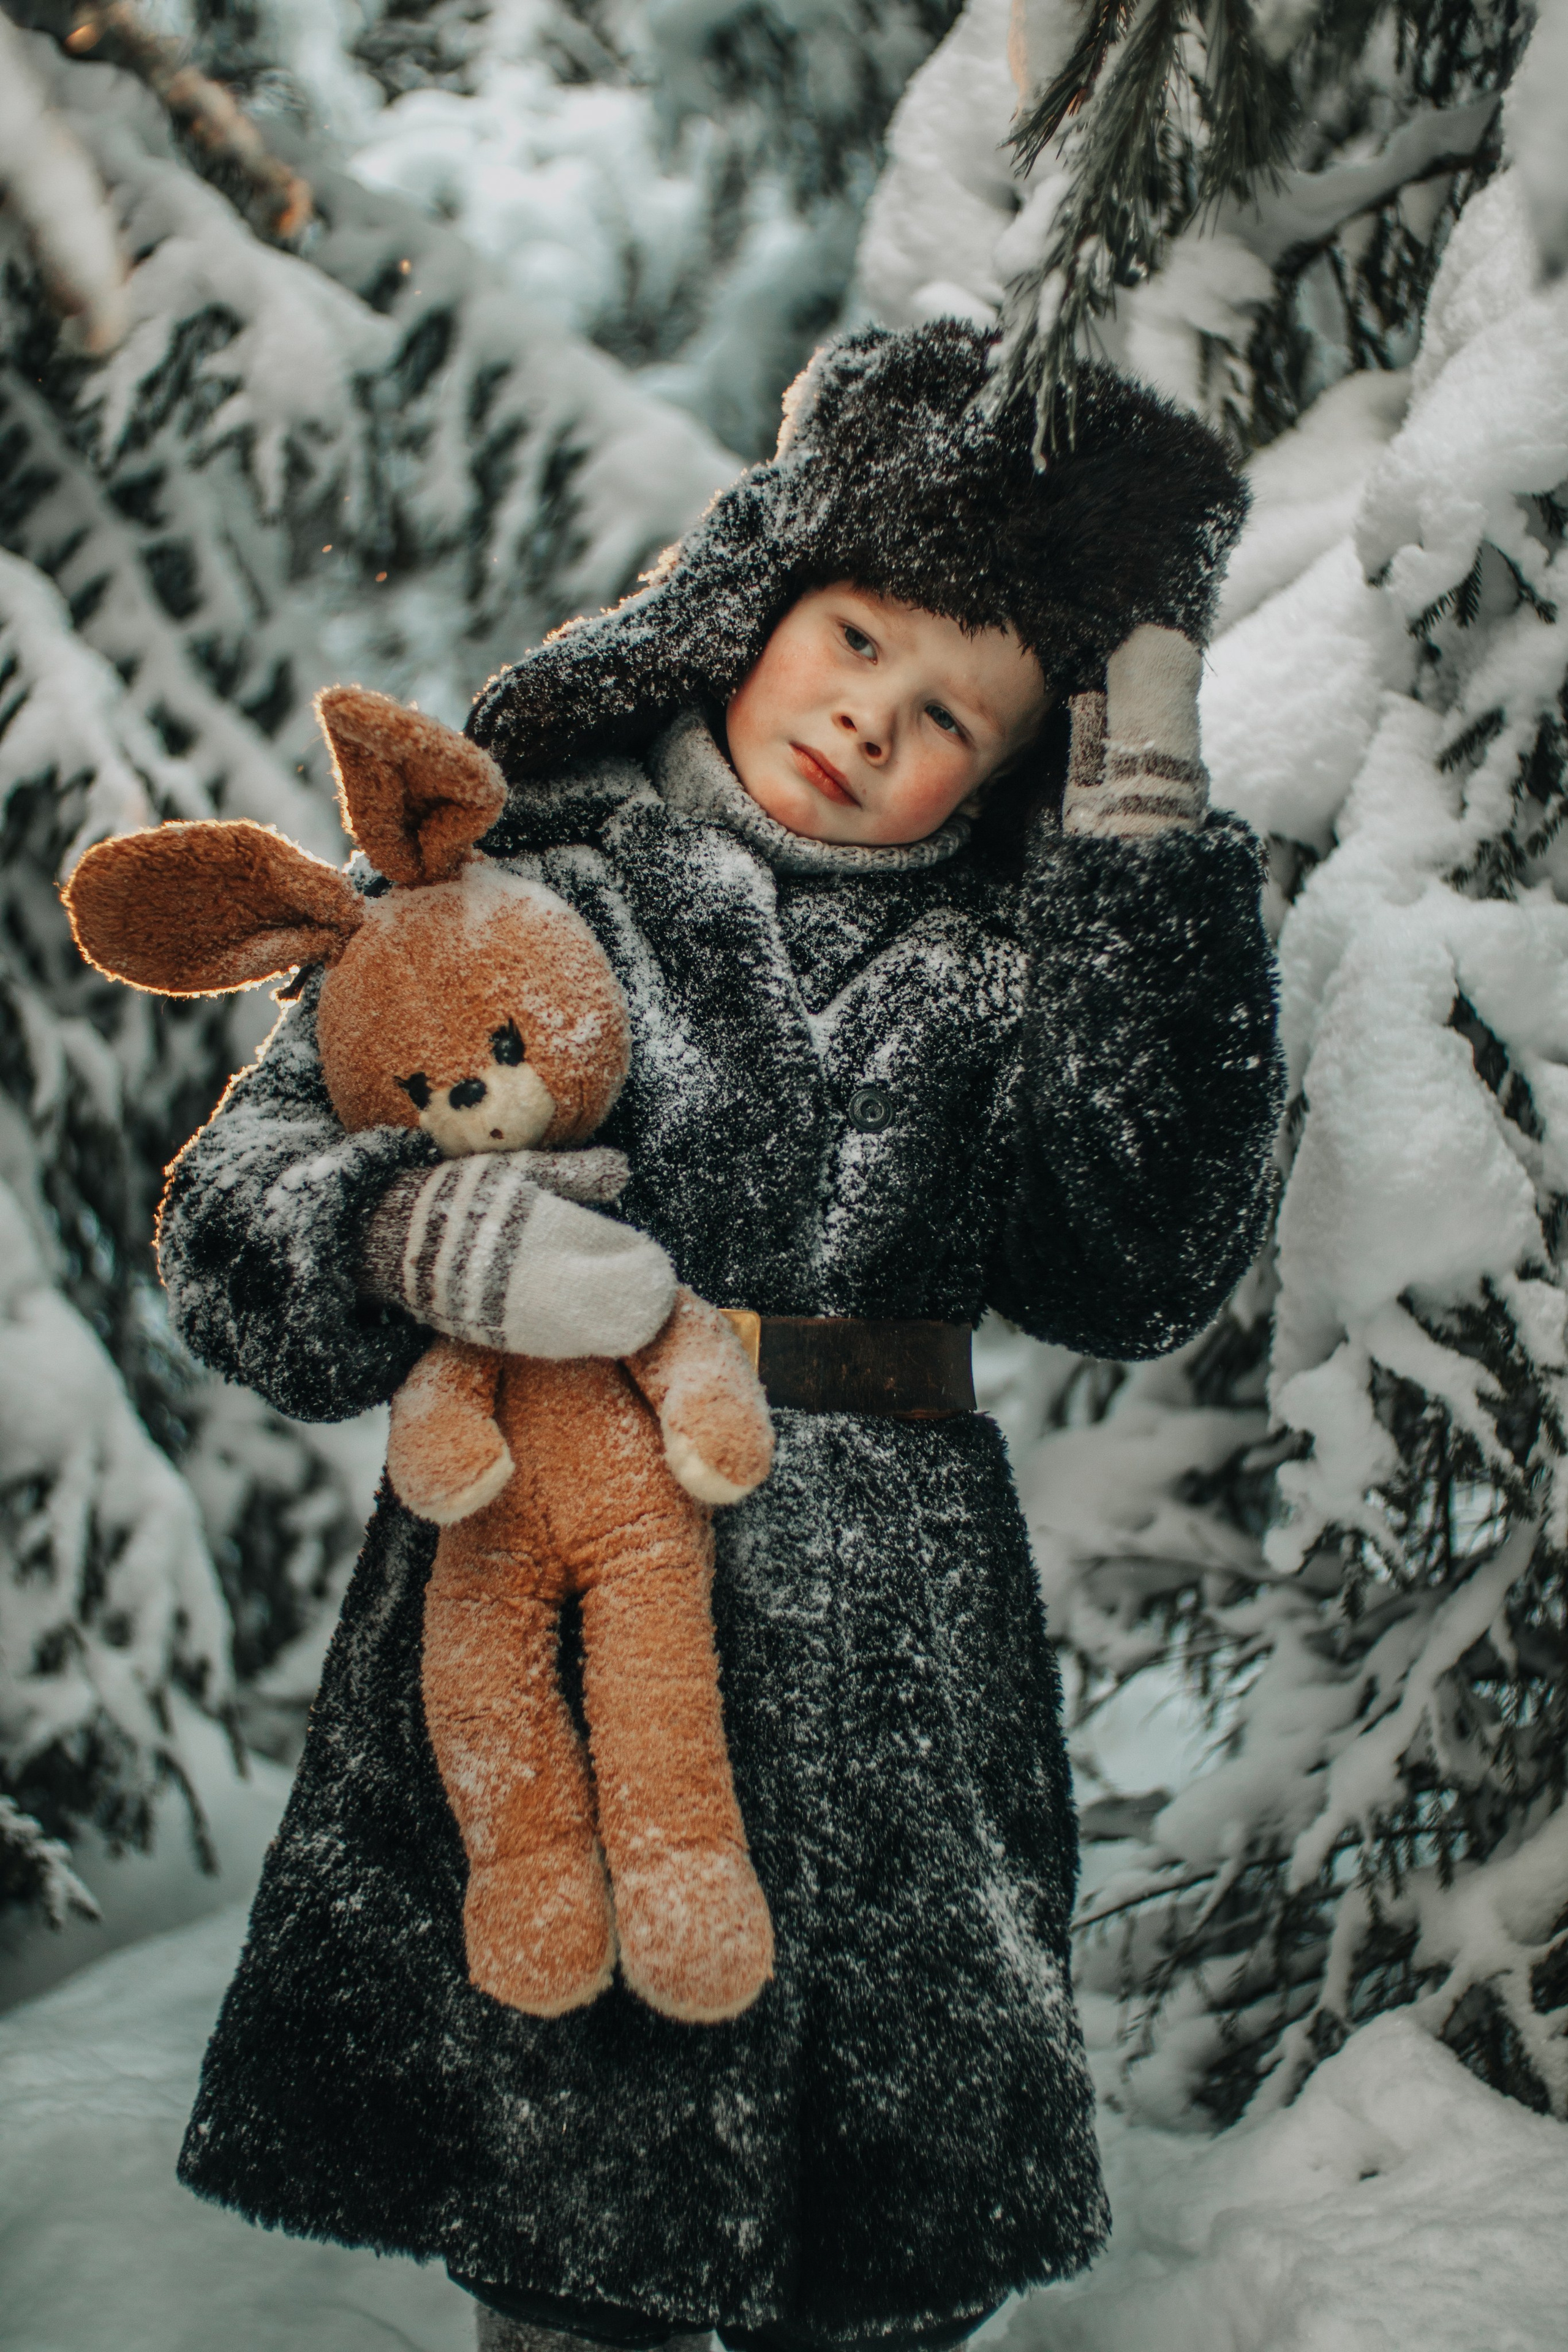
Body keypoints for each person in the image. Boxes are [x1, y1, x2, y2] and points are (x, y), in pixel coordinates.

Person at [165, 322, 1283, 2352]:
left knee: (877, 2271)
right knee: (582, 2234)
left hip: (896, 1673)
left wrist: (1146, 860)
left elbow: (1143, 1263)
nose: (871, 718)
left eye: (953, 711)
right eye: (855, 635)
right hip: (563, 1613)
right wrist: (419, 1231)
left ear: (1028, 766)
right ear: (758, 594)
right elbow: (238, 1216)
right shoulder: (520, 879)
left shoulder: (1025, 964)